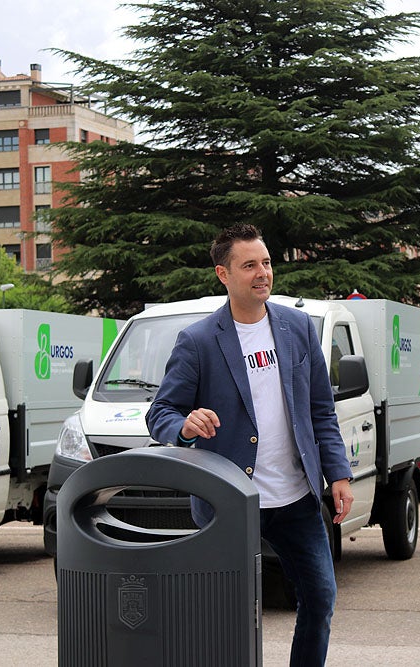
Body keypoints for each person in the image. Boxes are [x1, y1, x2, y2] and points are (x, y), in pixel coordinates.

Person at [146, 223, 354, 667]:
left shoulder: (297, 328)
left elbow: (320, 408)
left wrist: (338, 473)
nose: (263, 273)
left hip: (296, 498)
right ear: (223, 274)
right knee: (228, 612)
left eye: (266, 262)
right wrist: (185, 424)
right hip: (230, 502)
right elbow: (159, 413)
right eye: (249, 265)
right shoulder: (199, 341)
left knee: (320, 601)